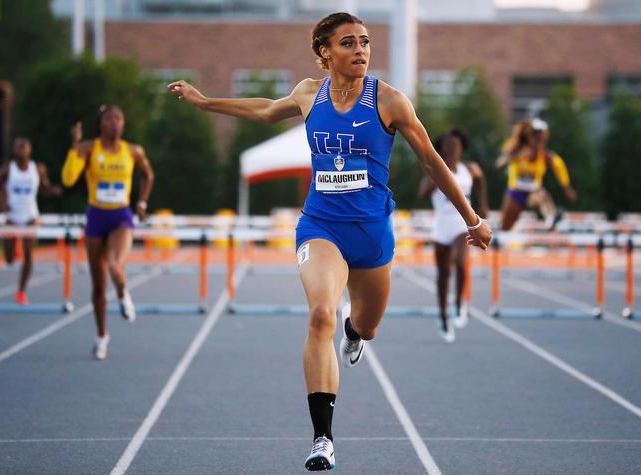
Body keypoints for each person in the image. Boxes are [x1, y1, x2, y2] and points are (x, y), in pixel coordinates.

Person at [167, 12, 491, 471]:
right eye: (348, 43)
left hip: (373, 234)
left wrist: (471, 219)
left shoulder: (390, 101)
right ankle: (323, 439)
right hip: (321, 227)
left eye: (365, 42)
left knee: (368, 324)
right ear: (325, 54)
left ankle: (355, 331)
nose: (360, 50)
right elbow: (263, 109)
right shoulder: (308, 94)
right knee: (321, 314)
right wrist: (204, 103)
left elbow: (433, 163)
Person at [61, 105, 154, 360]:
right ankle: (102, 336)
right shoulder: (89, 149)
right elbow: (68, 179)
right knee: (99, 285)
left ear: (123, 124)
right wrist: (74, 146)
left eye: (119, 118)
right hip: (96, 218)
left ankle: (123, 295)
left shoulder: (133, 151)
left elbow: (148, 175)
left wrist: (142, 203)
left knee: (115, 266)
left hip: (121, 217)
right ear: (100, 124)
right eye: (110, 118)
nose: (115, 122)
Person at [418, 128, 488, 342]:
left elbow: (480, 181)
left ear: (462, 148)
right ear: (442, 150)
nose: (451, 151)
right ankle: (443, 317)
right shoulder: (436, 169)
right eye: (447, 148)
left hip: (461, 225)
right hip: (442, 226)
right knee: (442, 276)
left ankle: (459, 302)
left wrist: (483, 204)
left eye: (455, 147)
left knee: (460, 261)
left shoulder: (469, 169)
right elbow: (421, 194)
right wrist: (440, 172)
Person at [0, 137, 62, 304]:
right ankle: (13, 249)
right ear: (14, 151)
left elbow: (44, 189)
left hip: (31, 215)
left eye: (25, 147)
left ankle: (21, 291)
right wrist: (2, 203)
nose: (22, 150)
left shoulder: (37, 169)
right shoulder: (7, 169)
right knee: (9, 259)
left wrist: (53, 191)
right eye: (19, 147)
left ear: (29, 150)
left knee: (29, 253)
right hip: (12, 216)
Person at [496, 118, 577, 231]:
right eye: (536, 137)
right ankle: (499, 240)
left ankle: (551, 220)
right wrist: (515, 157)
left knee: (543, 196)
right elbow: (499, 165)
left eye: (541, 138)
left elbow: (559, 166)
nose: (539, 141)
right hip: (514, 193)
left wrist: (567, 188)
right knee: (505, 227)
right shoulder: (516, 150)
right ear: (528, 137)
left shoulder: (545, 156)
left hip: (533, 193)